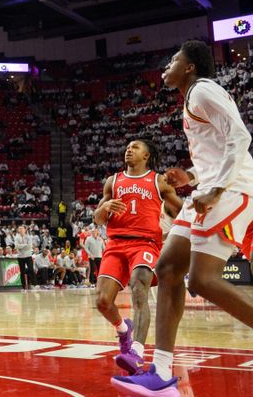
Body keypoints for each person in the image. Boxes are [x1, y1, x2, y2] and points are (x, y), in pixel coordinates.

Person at [112, 41, 253, 396]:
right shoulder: (193, 98)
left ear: (189, 67)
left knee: (203, 280)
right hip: (209, 187)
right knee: (169, 267)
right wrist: (190, 176)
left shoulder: (203, 90)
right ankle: (160, 373)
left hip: (233, 188)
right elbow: (218, 148)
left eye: (173, 59)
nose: (166, 66)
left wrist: (216, 189)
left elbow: (240, 136)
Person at [93, 139, 182, 375]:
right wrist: (104, 208)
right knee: (102, 302)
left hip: (145, 242)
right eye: (127, 147)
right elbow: (98, 219)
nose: (129, 150)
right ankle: (124, 330)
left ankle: (137, 351)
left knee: (139, 283)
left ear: (146, 155)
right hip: (116, 243)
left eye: (135, 147)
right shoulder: (113, 181)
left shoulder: (158, 180)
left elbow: (181, 209)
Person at [14, 225, 34, 290]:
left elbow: (30, 246)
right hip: (20, 256)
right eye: (19, 229)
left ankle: (33, 284)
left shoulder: (29, 237)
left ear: (25, 230)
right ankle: (23, 287)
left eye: (22, 229)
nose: (21, 230)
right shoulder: (16, 237)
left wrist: (21, 246)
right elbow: (16, 246)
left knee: (31, 269)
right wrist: (25, 245)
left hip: (28, 256)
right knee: (22, 272)